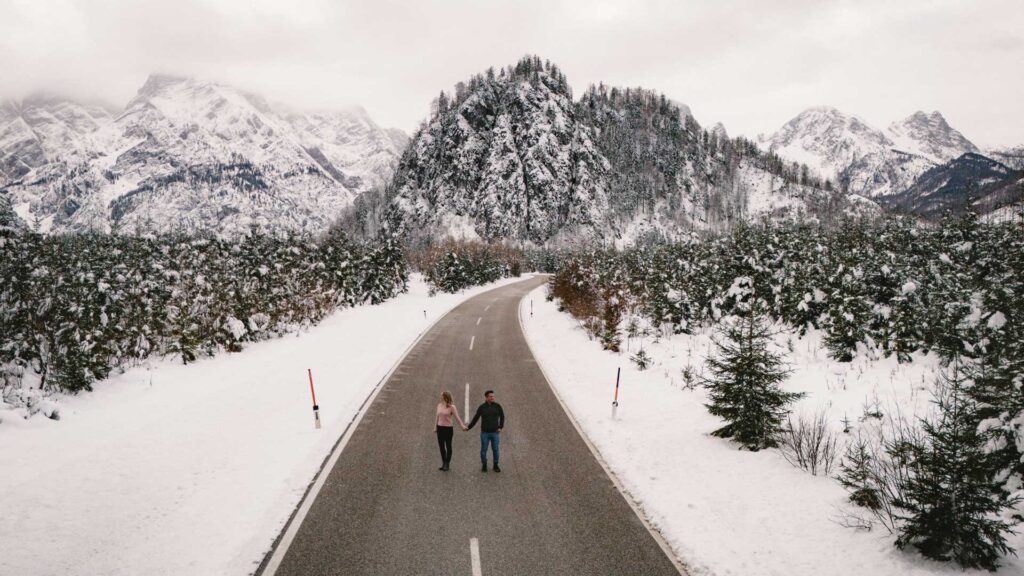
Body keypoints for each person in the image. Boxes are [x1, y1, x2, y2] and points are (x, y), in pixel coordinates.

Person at [466, 390, 505, 473]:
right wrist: (468, 427)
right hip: (485, 433)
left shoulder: (497, 406)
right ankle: (484, 465)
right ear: (486, 397)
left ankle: (495, 465)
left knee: (495, 449)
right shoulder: (482, 407)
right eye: (491, 396)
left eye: (493, 396)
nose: (492, 398)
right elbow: (476, 418)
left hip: (495, 432)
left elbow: (502, 416)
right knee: (483, 450)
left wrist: (501, 427)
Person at [433, 390, 466, 471]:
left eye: (441, 395)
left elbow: (457, 417)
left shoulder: (452, 407)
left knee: (448, 446)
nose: (440, 397)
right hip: (440, 427)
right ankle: (444, 462)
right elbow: (437, 417)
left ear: (445, 396)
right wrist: (435, 427)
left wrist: (462, 426)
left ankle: (447, 463)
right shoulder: (439, 405)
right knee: (441, 446)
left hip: (448, 428)